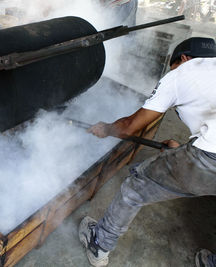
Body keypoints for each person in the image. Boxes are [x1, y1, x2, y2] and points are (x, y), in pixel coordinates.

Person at [78, 37, 216, 267]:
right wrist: (182, 151)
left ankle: (99, 244)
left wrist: (106, 129)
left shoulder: (183, 73)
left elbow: (131, 126)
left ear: (183, 58)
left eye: (172, 66)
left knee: (135, 188)